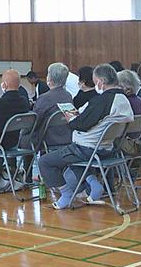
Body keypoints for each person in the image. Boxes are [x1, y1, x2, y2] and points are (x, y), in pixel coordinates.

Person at [37, 64, 134, 209]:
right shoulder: (123, 99)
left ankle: (66, 193)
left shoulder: (103, 101)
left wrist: (71, 119)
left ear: (101, 82)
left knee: (45, 162)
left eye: (95, 82)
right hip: (108, 148)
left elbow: (81, 124)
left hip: (87, 148)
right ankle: (94, 184)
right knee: (73, 158)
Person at [32, 63, 74, 151]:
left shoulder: (44, 98)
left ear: (49, 79)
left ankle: (26, 160)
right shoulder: (68, 96)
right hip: (66, 137)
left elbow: (35, 121)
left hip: (48, 139)